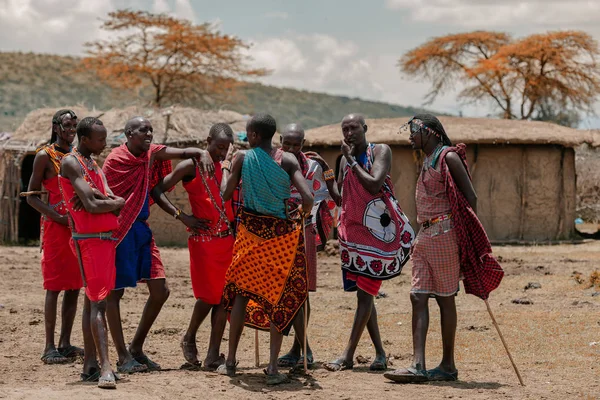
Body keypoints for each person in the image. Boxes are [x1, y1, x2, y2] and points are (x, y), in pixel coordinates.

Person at [384, 114, 503, 383]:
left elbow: (470, 196)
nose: (410, 136)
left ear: (431, 132)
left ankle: (448, 365)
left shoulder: (447, 157)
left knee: (445, 298)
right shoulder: (427, 159)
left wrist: (464, 232)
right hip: (424, 236)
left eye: (414, 131)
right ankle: (418, 365)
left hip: (444, 235)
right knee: (418, 295)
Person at [102, 116, 214, 373]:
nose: (149, 134)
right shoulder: (115, 161)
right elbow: (106, 196)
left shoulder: (150, 154)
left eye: (151, 130)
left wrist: (200, 152)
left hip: (141, 228)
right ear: (129, 133)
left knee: (161, 290)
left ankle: (136, 348)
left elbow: (183, 151)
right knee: (115, 293)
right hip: (119, 231)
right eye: (144, 130)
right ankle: (122, 356)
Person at [309, 114, 414, 373]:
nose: (349, 133)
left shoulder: (380, 151)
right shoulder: (346, 162)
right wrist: (327, 169)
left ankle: (347, 355)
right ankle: (380, 354)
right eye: (344, 129)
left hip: (380, 236)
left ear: (365, 128)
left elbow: (374, 183)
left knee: (365, 297)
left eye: (353, 128)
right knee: (364, 296)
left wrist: (351, 161)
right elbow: (343, 198)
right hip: (354, 236)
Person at [217, 114, 314, 385]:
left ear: (255, 135)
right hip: (281, 239)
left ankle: (231, 361)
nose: (246, 138)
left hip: (249, 234)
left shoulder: (242, 159)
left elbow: (225, 194)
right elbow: (308, 198)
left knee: (239, 296)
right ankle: (273, 367)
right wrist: (297, 213)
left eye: (248, 134)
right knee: (275, 298)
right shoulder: (288, 159)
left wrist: (225, 165)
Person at [151, 123, 235, 370]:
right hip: (204, 242)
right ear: (207, 140)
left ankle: (212, 355)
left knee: (223, 299)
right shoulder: (190, 165)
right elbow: (157, 191)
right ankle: (189, 335)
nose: (222, 152)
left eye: (226, 148)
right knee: (209, 297)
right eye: (219, 146)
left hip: (228, 240)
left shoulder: (229, 166)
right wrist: (182, 216)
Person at [59, 117, 125, 389]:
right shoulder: (71, 162)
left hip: (104, 240)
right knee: (99, 303)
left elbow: (109, 200)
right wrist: (104, 201)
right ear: (85, 139)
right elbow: (91, 204)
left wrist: (105, 200)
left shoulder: (93, 164)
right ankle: (106, 367)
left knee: (94, 301)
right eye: (100, 139)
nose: (104, 144)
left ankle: (90, 363)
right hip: (88, 240)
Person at [27, 109, 84, 364]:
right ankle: (49, 347)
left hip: (77, 227)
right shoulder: (44, 156)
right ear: (56, 127)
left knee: (74, 286)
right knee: (53, 287)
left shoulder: (77, 156)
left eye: (74, 124)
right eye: (67, 125)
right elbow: (31, 196)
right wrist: (57, 217)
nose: (71, 129)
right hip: (55, 228)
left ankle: (65, 342)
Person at [277, 123, 335, 369]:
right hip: (278, 232)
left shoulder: (313, 166)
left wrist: (327, 168)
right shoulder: (273, 162)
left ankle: (303, 349)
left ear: (303, 144)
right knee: (282, 290)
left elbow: (327, 198)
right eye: (286, 144)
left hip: (303, 231)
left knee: (302, 292)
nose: (290, 148)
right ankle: (300, 349)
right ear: (280, 140)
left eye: (296, 144)